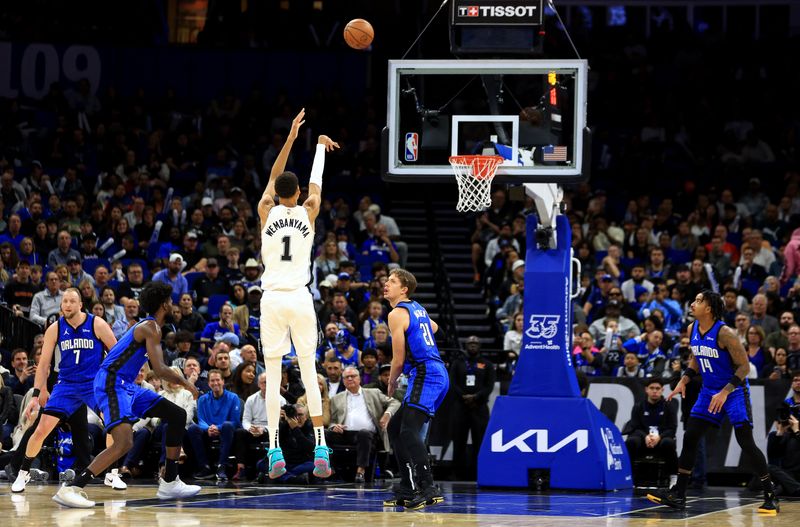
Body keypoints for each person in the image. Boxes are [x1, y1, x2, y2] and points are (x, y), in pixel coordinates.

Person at [52, 281, 201, 508]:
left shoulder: (152, 328)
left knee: (177, 415)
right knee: (123, 443)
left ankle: (170, 481)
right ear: (163, 304)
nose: (173, 306)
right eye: (170, 302)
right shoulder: (149, 328)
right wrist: (188, 384)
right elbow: (159, 369)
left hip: (126, 385)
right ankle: (72, 488)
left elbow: (156, 368)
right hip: (111, 382)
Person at [256, 109, 339, 480]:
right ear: (299, 194)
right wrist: (319, 148)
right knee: (309, 371)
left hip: (272, 298)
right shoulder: (309, 211)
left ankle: (274, 448)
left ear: (277, 194)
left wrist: (291, 138)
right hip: (301, 298)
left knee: (273, 376)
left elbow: (275, 177)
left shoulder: (265, 210)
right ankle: (321, 443)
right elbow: (317, 185)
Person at [647, 289, 779, 514]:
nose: (692, 303)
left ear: (708, 308)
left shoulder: (725, 332)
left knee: (745, 442)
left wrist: (725, 392)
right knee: (690, 436)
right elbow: (696, 358)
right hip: (709, 391)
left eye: (698, 300)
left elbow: (745, 367)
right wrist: (685, 379)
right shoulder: (692, 329)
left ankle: (770, 493)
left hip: (734, 390)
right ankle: (679, 494)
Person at [10, 288, 117, 493]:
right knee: (41, 429)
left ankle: (112, 474)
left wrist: (111, 381)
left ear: (80, 305)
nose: (66, 304)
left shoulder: (97, 324)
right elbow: (43, 365)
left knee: (114, 422)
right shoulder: (55, 328)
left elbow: (117, 354)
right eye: (64, 301)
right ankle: (23, 473)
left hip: (92, 384)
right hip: (66, 384)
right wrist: (36, 393)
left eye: (71, 301)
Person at [384, 268, 449, 510]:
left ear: (404, 289)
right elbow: (435, 328)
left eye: (392, 281)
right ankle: (408, 488)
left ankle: (428, 487)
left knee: (409, 431)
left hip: (426, 373)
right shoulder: (417, 308)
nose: (386, 284)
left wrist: (391, 382)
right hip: (433, 372)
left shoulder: (397, 314)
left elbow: (398, 361)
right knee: (395, 427)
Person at [327, 366, 400, 483]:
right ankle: (329, 468)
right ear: (343, 380)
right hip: (344, 434)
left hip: (368, 436)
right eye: (346, 377)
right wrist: (333, 426)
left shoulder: (373, 393)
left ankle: (360, 471)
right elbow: (332, 420)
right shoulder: (336, 398)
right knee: (325, 434)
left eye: (353, 376)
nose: (350, 379)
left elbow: (395, 402)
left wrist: (387, 415)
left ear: (359, 378)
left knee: (364, 433)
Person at [624, 378, 678, 481]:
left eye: (657, 388)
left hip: (661, 439)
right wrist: (645, 436)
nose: (654, 391)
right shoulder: (638, 406)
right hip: (644, 439)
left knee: (669, 442)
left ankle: (673, 476)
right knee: (631, 441)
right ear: (646, 390)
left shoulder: (669, 406)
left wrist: (659, 437)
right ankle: (628, 475)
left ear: (662, 390)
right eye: (652, 388)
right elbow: (635, 427)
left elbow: (672, 429)